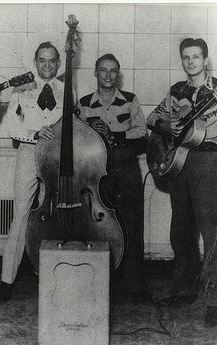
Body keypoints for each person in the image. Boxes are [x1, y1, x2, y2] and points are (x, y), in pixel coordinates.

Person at [147, 38, 217, 327]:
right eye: (186, 57)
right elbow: (153, 118)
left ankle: (215, 301)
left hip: (205, 162)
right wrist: (166, 125)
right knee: (180, 230)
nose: (191, 62)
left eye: (196, 57)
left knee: (213, 232)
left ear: (206, 60)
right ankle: (183, 290)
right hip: (177, 162)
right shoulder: (176, 90)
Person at [0, 42, 65, 303]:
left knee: (50, 214)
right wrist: (34, 133)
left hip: (54, 157)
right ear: (35, 61)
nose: (47, 66)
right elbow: (11, 128)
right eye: (42, 61)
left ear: (58, 63)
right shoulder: (21, 87)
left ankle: (47, 274)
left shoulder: (64, 89)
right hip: (28, 152)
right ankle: (6, 280)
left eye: (52, 61)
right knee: (21, 216)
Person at [78, 54, 148, 301]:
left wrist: (115, 134)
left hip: (126, 167)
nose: (108, 75)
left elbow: (142, 132)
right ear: (95, 73)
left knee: (131, 224)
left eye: (113, 71)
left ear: (118, 74)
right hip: (97, 169)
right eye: (103, 70)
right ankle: (100, 282)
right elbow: (78, 136)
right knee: (98, 224)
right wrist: (92, 134)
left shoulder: (130, 100)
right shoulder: (84, 103)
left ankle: (135, 286)